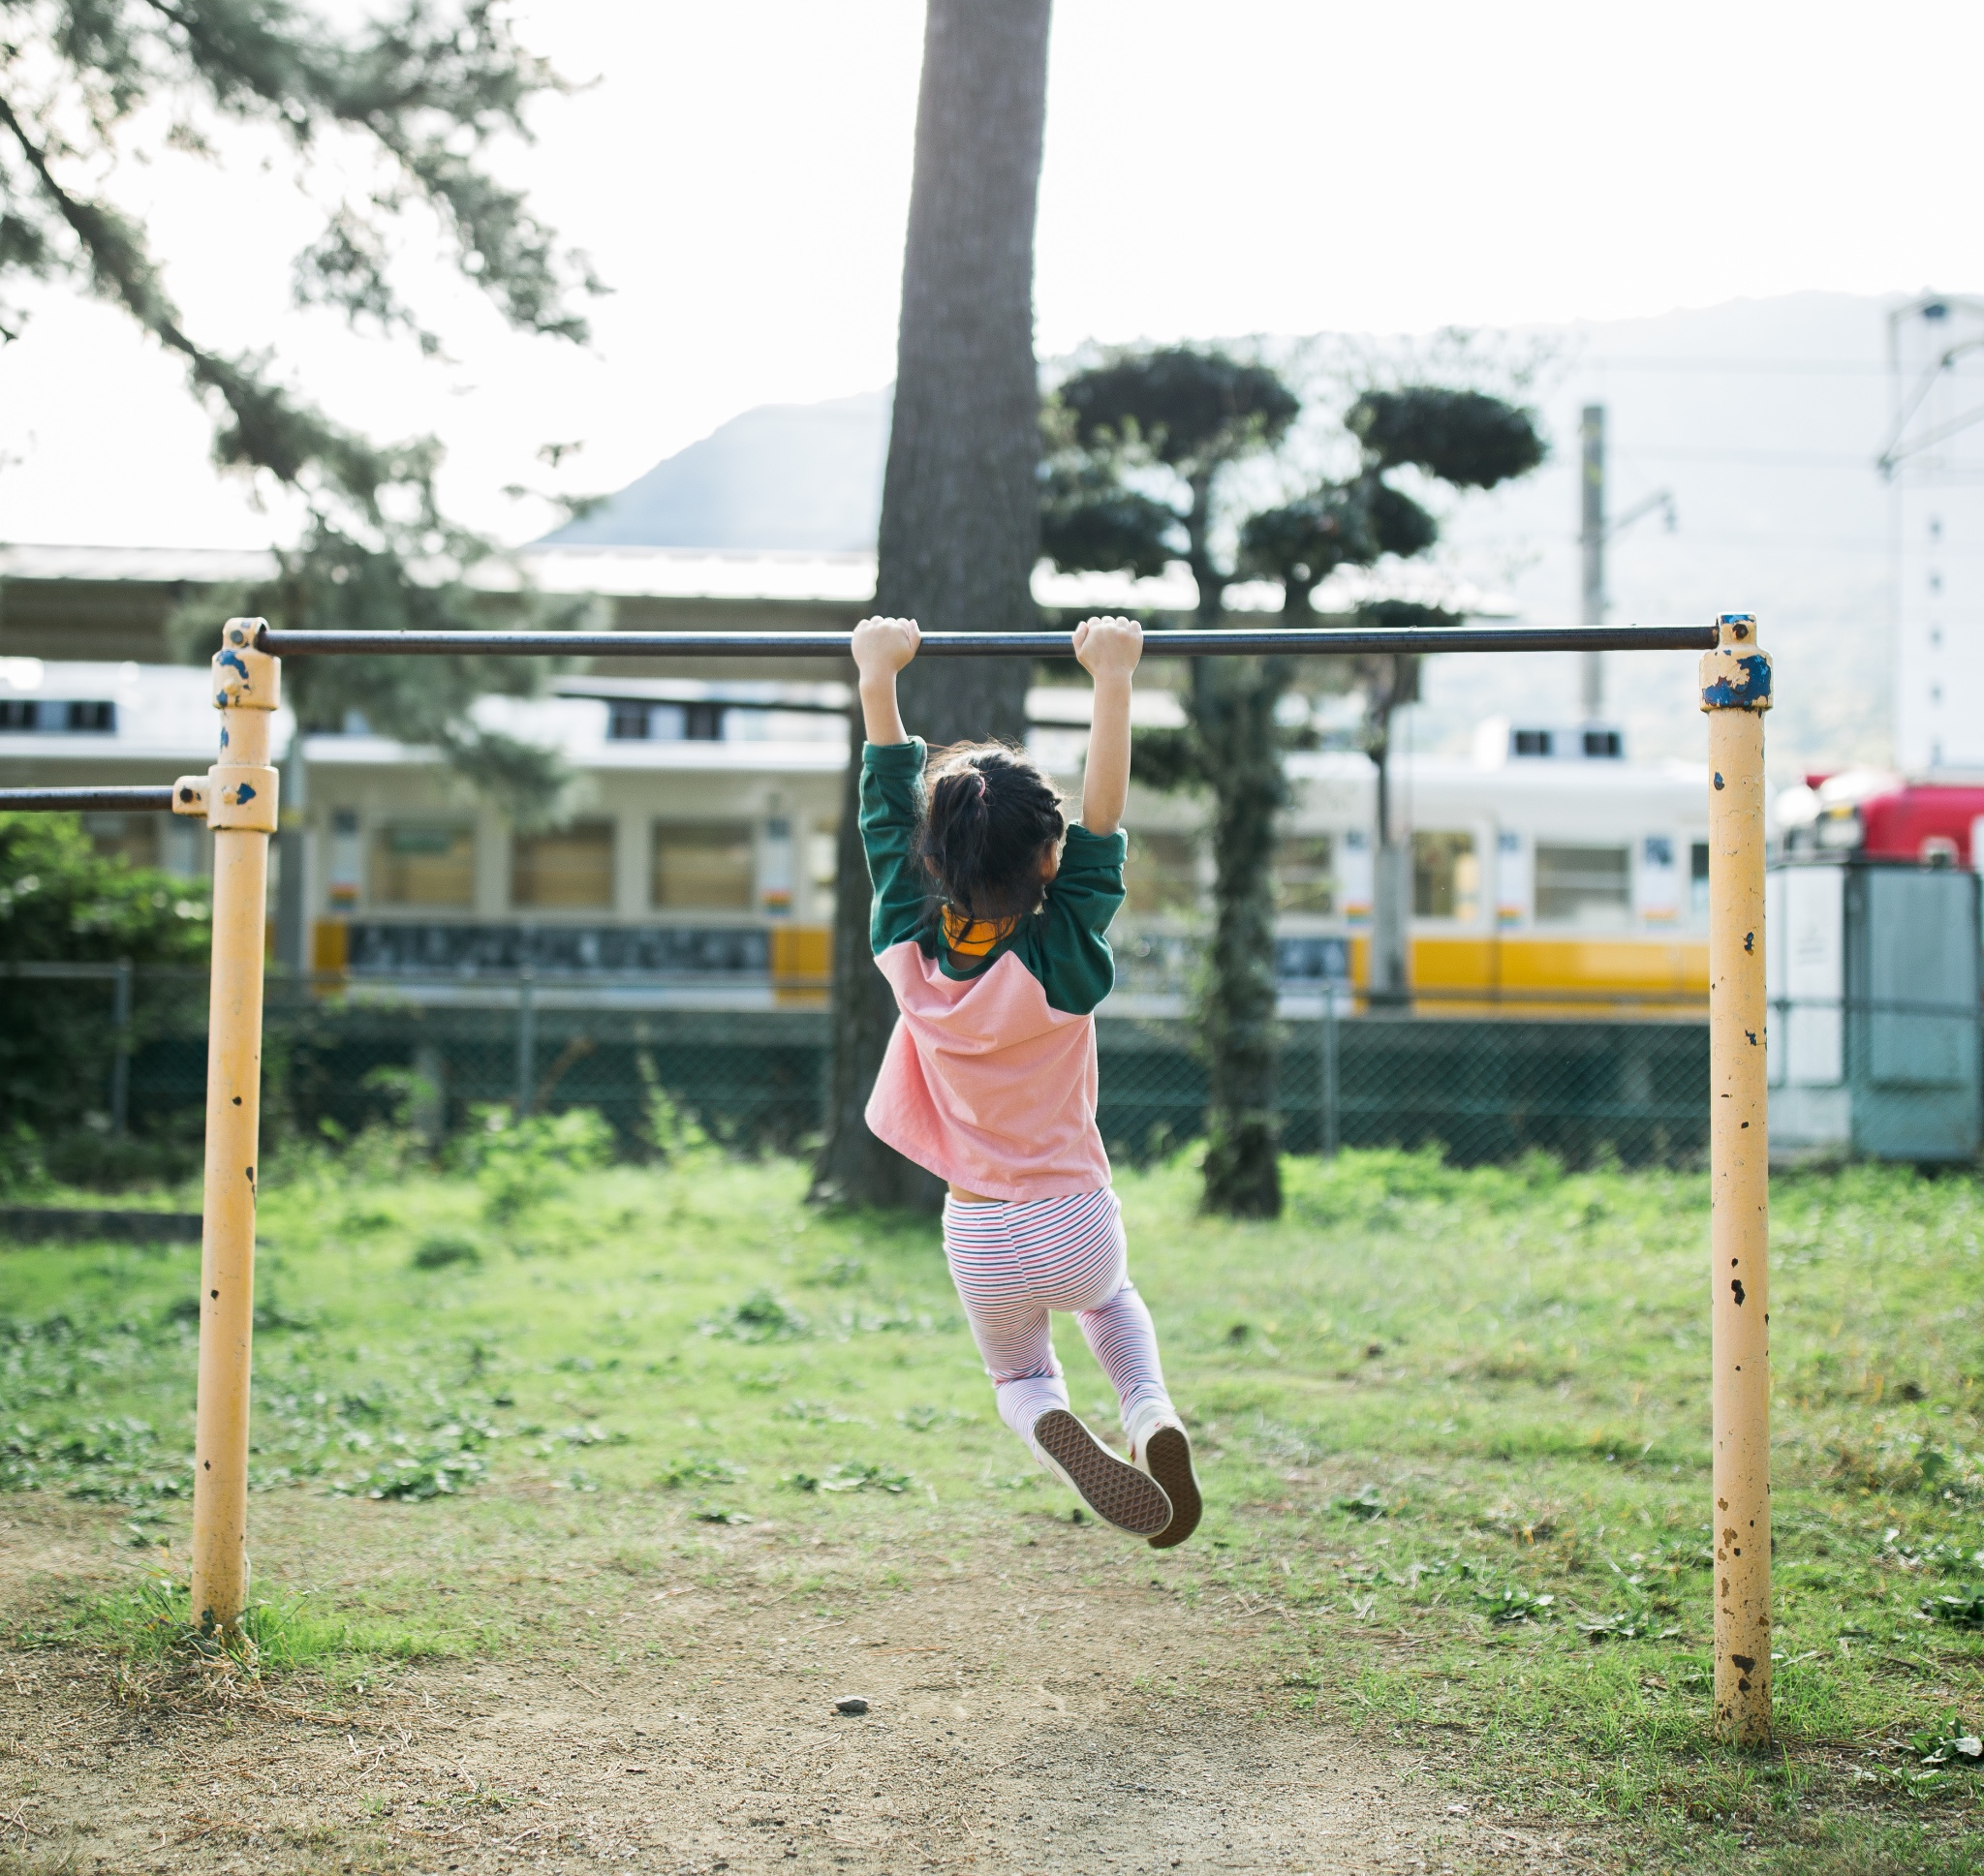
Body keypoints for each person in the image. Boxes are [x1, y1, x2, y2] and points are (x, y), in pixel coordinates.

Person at [852, 613, 1201, 1548]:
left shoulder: (907, 951)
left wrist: (878, 675)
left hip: (978, 1230)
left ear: (935, 862)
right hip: (1074, 1216)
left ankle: (1050, 1417)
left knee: (1020, 1377)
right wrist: (1114, 678)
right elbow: (1104, 819)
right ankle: (1149, 1413)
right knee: (1110, 1301)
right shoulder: (1063, 951)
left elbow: (886, 814)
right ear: (1049, 862)